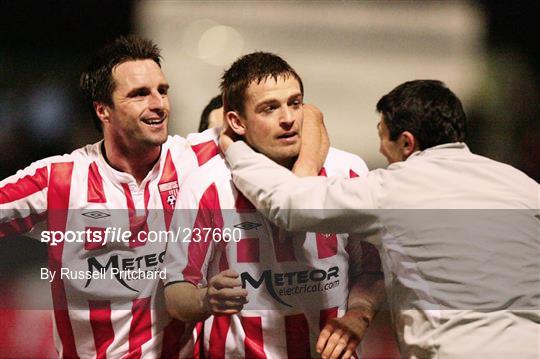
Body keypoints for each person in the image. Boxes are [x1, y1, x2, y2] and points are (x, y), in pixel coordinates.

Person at [0, 36, 327, 357]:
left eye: (162, 90)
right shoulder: (58, 180)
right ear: (104, 111)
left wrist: (300, 188)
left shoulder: (195, 159)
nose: (158, 104)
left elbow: (308, 114)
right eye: (140, 94)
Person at [220, 80, 540, 358]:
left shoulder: (392, 189)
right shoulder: (524, 186)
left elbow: (288, 204)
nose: (381, 151)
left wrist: (234, 149)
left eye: (382, 137)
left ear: (406, 142)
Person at [163, 52, 386, 359]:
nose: (288, 118)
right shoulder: (206, 184)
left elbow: (373, 270)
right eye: (269, 108)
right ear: (237, 122)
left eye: (294, 103)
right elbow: (176, 294)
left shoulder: (347, 172)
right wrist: (204, 300)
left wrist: (359, 314)